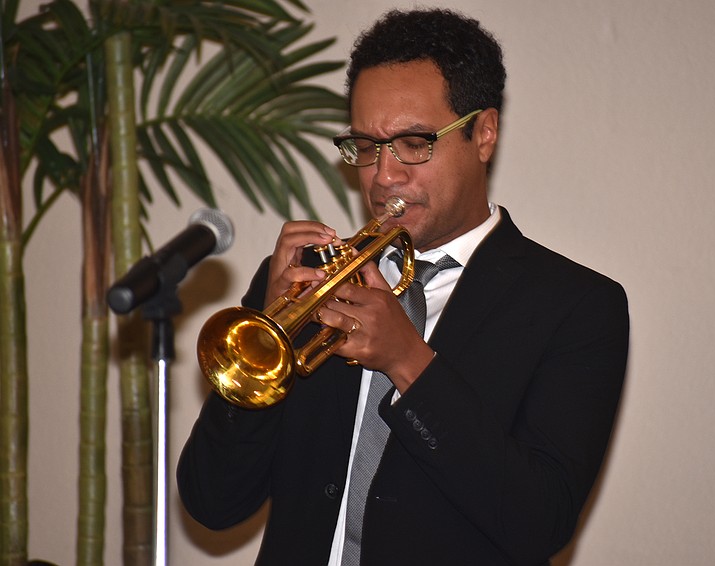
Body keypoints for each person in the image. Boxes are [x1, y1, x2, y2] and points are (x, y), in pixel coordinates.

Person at [177, 8, 629, 566]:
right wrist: (267, 352)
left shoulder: (577, 307)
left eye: (414, 143)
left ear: (483, 134)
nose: (384, 175)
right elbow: (212, 503)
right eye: (366, 146)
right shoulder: (305, 288)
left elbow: (539, 523)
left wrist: (409, 361)